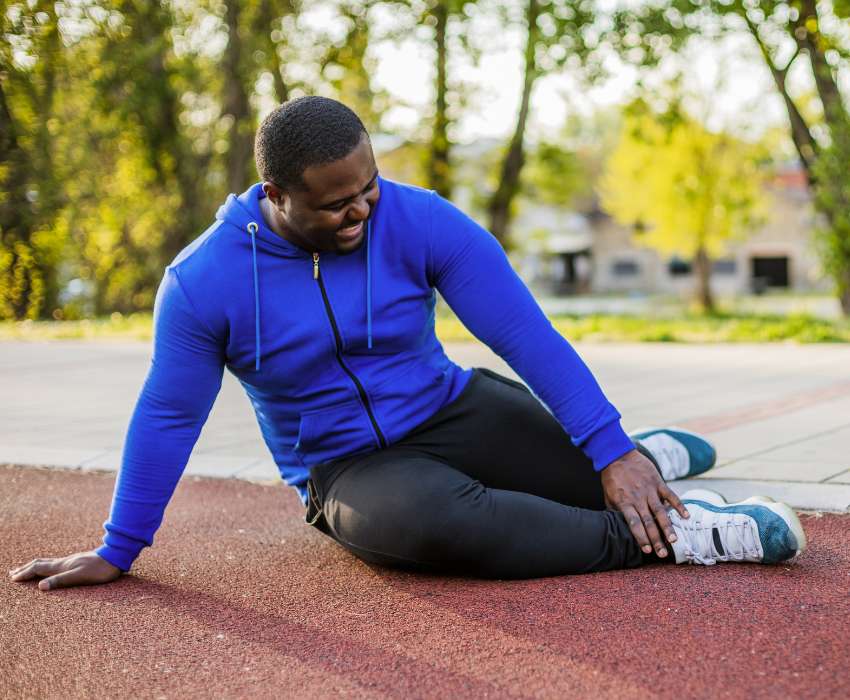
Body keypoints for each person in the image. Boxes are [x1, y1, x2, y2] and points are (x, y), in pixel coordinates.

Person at [10, 97, 806, 590]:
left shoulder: (420, 216)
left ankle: (643, 459)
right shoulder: (204, 281)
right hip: (349, 467)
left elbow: (523, 335)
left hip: (458, 409)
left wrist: (609, 448)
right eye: (336, 206)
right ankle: (677, 537)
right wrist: (119, 548)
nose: (361, 213)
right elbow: (168, 416)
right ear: (276, 195)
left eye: (369, 188)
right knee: (433, 529)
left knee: (594, 469)